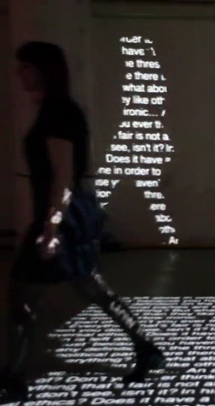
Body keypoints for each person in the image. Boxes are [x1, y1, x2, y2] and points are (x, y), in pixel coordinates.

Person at [1, 41, 165, 401]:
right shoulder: (56, 111)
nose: (19, 73)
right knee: (91, 287)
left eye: (25, 66)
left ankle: (13, 378)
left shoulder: (59, 113)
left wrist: (50, 229)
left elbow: (63, 176)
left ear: (44, 70)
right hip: (67, 215)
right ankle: (145, 347)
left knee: (23, 296)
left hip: (61, 217)